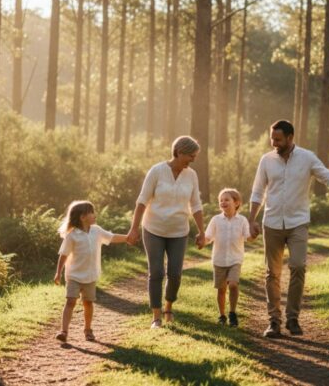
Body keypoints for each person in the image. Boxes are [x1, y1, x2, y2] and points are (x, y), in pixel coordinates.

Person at [248, 120, 329, 338]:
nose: (274, 143)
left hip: (297, 223)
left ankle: (292, 319)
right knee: (271, 273)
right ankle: (274, 321)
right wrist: (251, 220)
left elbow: (328, 178)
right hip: (271, 223)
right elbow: (257, 192)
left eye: (278, 139)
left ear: (291, 138)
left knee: (299, 266)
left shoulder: (307, 158)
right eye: (272, 138)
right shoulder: (266, 160)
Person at [126, 136, 206, 329]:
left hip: (179, 231)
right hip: (153, 229)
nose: (193, 160)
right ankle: (156, 316)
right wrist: (134, 228)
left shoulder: (191, 175)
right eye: (190, 155)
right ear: (179, 152)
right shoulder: (157, 171)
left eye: (195, 156)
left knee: (175, 273)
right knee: (156, 272)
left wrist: (202, 231)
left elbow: (195, 204)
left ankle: (168, 307)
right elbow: (142, 201)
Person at [54, 200, 129, 342]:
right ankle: (63, 331)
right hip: (74, 275)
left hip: (90, 275)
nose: (95, 215)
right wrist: (58, 273)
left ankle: (88, 330)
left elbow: (111, 237)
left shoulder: (97, 231)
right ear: (83, 217)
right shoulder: (72, 235)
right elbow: (63, 255)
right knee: (70, 301)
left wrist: (127, 238)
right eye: (92, 213)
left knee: (88, 302)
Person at [204, 188, 253, 327]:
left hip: (235, 259)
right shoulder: (215, 220)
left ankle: (232, 313)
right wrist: (202, 241)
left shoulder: (242, 220)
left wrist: (254, 235)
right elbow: (208, 237)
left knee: (232, 284)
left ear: (236, 202)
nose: (223, 202)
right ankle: (222, 315)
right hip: (219, 260)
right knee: (221, 290)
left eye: (227, 200)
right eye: (221, 200)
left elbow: (248, 237)